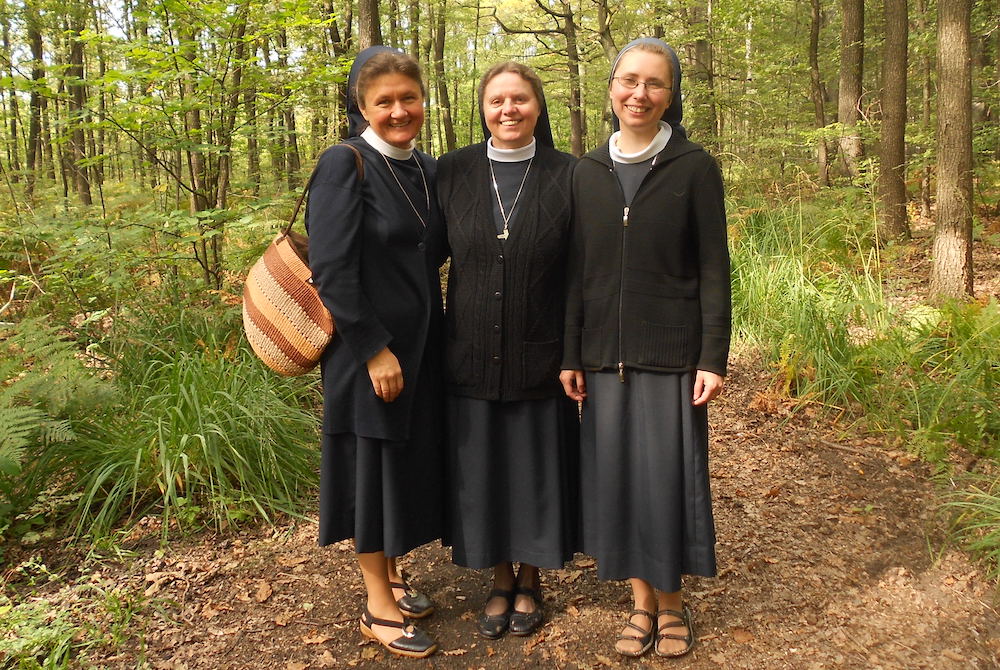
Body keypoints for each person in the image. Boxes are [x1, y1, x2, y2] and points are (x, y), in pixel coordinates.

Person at [560, 37, 730, 659]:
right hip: (605, 358)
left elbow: (715, 268)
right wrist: (571, 353)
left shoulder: (693, 167)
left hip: (672, 356)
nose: (640, 93)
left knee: (665, 480)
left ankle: (672, 603)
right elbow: (576, 271)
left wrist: (713, 356)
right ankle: (638, 603)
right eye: (629, 81)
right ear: (611, 89)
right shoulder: (587, 171)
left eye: (654, 84)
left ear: (670, 95)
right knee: (619, 481)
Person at [306, 46, 447, 659]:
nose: (398, 111)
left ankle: (391, 574)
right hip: (368, 356)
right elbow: (332, 271)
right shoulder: (346, 164)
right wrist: (373, 350)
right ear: (361, 106)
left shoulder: (422, 168)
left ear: (423, 100)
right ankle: (376, 606)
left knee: (397, 468)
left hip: (419, 351)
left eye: (407, 98)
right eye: (384, 101)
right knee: (370, 470)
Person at [437, 62, 579, 640]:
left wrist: (573, 352)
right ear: (483, 108)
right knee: (484, 472)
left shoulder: (569, 173)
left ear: (538, 107)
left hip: (539, 353)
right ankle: (500, 578)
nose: (508, 110)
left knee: (534, 472)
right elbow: (422, 256)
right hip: (468, 351)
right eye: (497, 101)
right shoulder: (453, 171)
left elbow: (582, 275)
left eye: (520, 99)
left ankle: (532, 577)